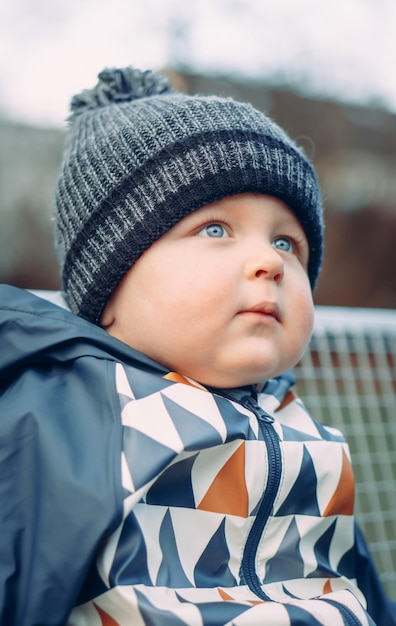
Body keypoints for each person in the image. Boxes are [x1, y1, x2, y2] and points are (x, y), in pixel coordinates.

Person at [0, 66, 394, 626]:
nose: (270, 262)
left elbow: (359, 596)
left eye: (287, 241)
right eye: (215, 229)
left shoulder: (304, 433)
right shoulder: (68, 418)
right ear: (110, 289)